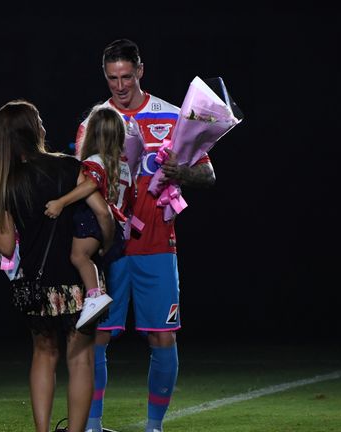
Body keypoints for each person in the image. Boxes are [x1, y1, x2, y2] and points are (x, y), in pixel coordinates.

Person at [79, 39, 216, 432]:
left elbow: (208, 175)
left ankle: (154, 427)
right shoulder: (95, 121)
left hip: (157, 244)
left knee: (163, 337)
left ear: (140, 71)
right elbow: (79, 179)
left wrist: (180, 173)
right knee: (97, 338)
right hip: (108, 247)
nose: (119, 86)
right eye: (111, 78)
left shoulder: (174, 116)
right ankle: (92, 425)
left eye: (126, 77)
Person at [0, 100, 114, 432]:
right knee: (79, 358)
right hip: (76, 281)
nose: (44, 125)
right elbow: (103, 212)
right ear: (32, 128)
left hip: (36, 284)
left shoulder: (3, 182)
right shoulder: (68, 166)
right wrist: (105, 245)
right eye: (39, 120)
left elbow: (6, 246)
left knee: (42, 354)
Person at [44, 105, 135, 329]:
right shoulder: (124, 167)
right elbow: (130, 201)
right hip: (116, 227)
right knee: (88, 260)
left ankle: (95, 297)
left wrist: (61, 202)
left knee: (78, 257)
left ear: (91, 133)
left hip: (93, 218)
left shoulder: (96, 159)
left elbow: (91, 184)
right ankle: (94, 295)